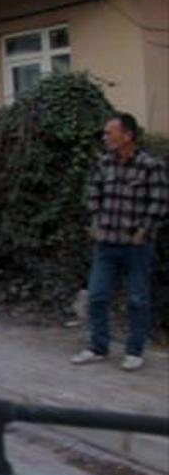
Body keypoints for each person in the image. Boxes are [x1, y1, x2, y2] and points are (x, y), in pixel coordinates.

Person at [72, 113, 168, 372]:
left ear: (127, 136)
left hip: (136, 247)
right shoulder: (103, 163)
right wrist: (94, 223)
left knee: (137, 299)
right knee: (97, 295)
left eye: (109, 133)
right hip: (106, 244)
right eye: (104, 133)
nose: (104, 138)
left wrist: (144, 230)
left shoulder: (150, 164)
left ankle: (134, 351)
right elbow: (94, 195)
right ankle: (97, 347)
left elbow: (159, 201)